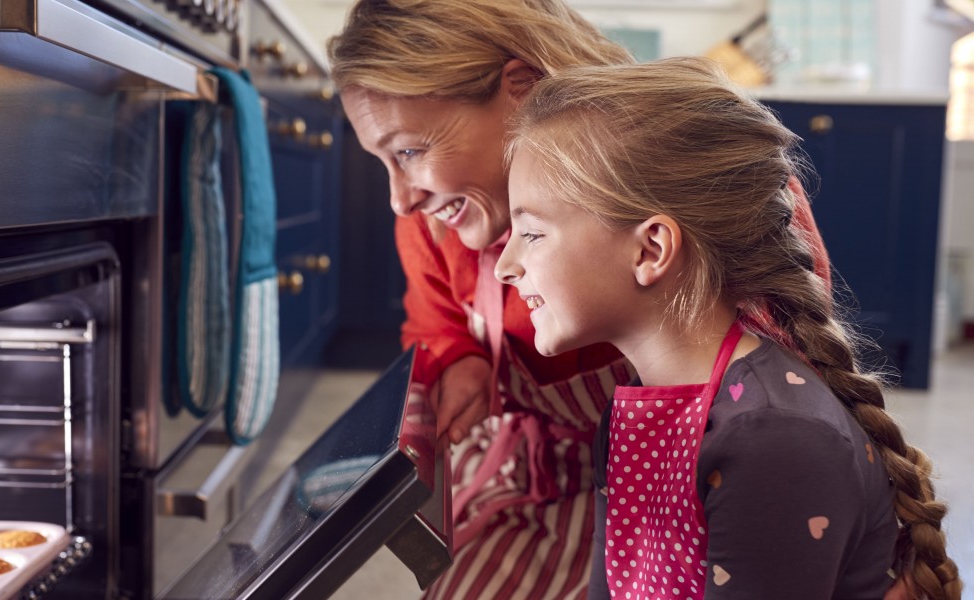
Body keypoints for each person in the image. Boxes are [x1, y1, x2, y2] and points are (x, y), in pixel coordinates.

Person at [328, 1, 835, 598]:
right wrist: (460, 359)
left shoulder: (687, 182)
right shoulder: (440, 221)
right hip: (538, 475)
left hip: (692, 482)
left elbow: (798, 396)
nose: (399, 199)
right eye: (382, 161)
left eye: (410, 151)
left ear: (520, 89)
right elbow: (435, 326)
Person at [494, 57, 962, 599]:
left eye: (531, 234)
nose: (506, 265)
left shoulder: (771, 438)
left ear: (651, 249)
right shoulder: (637, 410)